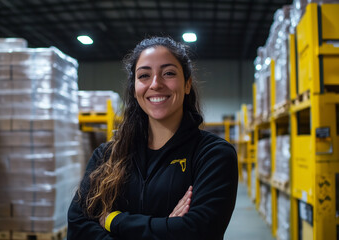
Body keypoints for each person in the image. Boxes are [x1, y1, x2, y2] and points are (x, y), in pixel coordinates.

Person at [67, 36, 238, 240]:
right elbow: (78, 226)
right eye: (144, 76)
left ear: (187, 85)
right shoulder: (107, 155)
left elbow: (199, 231)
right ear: (134, 88)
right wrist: (169, 227)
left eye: (168, 73)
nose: (156, 84)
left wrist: (113, 220)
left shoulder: (213, 154)